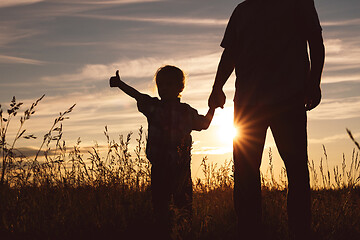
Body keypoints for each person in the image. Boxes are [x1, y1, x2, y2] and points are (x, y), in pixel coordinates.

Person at [208, 0, 325, 239]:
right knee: (246, 174)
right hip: (249, 105)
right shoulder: (242, 11)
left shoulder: (298, 3)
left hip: (288, 100)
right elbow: (230, 53)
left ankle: (300, 231)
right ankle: (249, 231)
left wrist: (314, 83)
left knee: (295, 170)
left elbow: (316, 41)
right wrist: (217, 87)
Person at [110, 65, 215, 239]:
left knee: (184, 208)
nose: (164, 88)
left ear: (180, 88)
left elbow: (204, 123)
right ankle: (164, 232)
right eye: (161, 85)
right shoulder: (154, 107)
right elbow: (137, 95)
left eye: (169, 84)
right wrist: (121, 85)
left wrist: (213, 108)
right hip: (159, 168)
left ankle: (183, 233)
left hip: (181, 170)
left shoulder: (186, 112)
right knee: (160, 207)